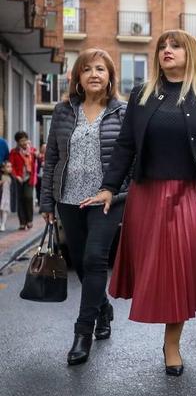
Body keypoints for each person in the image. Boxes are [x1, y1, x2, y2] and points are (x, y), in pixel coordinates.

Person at [82, 30, 196, 376]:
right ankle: (168, 340)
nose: (166, 51)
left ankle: (172, 344)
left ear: (190, 53)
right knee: (162, 268)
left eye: (175, 46)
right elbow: (125, 145)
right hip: (151, 194)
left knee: (182, 267)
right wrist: (109, 187)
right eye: (162, 47)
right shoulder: (142, 94)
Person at [39, 48, 128, 365]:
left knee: (94, 259)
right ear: (77, 76)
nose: (94, 74)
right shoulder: (64, 111)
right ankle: (102, 308)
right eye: (87, 69)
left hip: (106, 200)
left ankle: (82, 332)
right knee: (80, 261)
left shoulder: (122, 112)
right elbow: (51, 160)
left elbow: (130, 160)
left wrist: (115, 192)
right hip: (68, 198)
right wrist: (46, 201)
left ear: (110, 77)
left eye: (101, 69)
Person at [9, 131, 37, 229]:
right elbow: (11, 166)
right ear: (17, 142)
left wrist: (37, 154)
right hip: (19, 179)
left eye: (25, 140)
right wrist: (16, 176)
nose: (23, 142)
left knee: (28, 197)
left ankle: (29, 220)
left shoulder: (32, 151)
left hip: (29, 178)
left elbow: (39, 158)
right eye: (21, 141)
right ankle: (22, 222)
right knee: (20, 200)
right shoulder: (14, 152)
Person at [0, 161, 11, 230]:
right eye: (8, 167)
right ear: (3, 169)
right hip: (1, 196)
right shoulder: (1, 177)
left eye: (10, 167)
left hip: (7, 197)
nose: (10, 168)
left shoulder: (11, 177)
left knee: (5, 210)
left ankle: (3, 224)